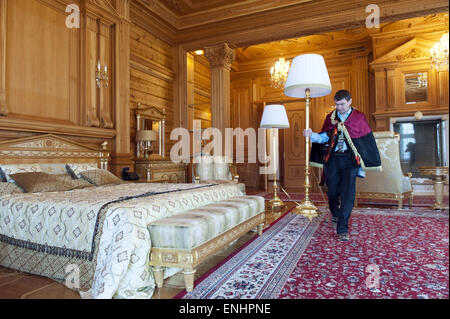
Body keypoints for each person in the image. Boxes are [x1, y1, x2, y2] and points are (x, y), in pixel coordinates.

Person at [303, 90, 381, 241]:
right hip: (333, 159)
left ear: (350, 101)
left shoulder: (359, 118)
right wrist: (311, 135)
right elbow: (323, 138)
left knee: (348, 194)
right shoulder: (330, 118)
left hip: (350, 160)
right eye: (337, 104)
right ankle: (336, 214)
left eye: (342, 104)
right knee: (332, 192)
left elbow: (365, 140)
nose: (339, 107)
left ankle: (342, 229)